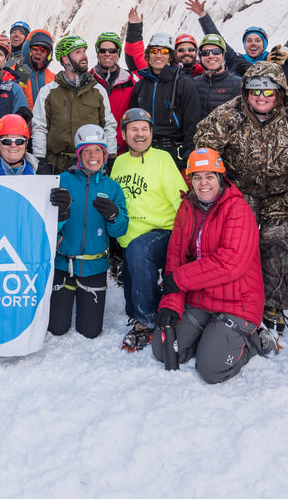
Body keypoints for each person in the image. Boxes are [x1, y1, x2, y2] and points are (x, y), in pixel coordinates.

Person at [193, 60, 288, 338]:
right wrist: (224, 190)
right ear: (246, 91)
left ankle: (274, 305)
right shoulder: (228, 115)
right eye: (255, 90)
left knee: (276, 242)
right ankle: (240, 295)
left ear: (280, 92)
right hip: (239, 192)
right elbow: (205, 148)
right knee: (241, 244)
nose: (261, 97)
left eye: (268, 91)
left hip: (283, 195)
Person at [151, 149, 264, 384]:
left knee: (211, 370)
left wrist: (178, 280)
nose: (203, 184)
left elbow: (230, 263)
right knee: (163, 350)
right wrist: (170, 303)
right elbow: (175, 256)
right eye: (197, 177)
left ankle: (255, 341)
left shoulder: (238, 209)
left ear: (220, 178)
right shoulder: (186, 208)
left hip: (236, 302)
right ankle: (211, 337)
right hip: (200, 298)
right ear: (190, 180)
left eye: (209, 176)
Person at [110, 109, 186, 352]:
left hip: (163, 234)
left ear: (152, 133)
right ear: (123, 134)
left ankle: (148, 322)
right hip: (129, 243)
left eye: (145, 129)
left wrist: (189, 240)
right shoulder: (119, 163)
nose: (139, 134)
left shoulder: (163, 159)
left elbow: (182, 203)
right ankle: (143, 311)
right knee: (132, 307)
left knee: (139, 248)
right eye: (134, 129)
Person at [49, 125, 129, 339]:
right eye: (86, 150)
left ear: (104, 154)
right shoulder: (61, 180)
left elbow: (120, 230)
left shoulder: (112, 187)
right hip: (62, 263)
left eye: (98, 150)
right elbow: (44, 222)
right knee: (56, 328)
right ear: (78, 154)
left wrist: (114, 216)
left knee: (90, 331)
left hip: (94, 265)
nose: (92, 156)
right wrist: (59, 221)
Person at [32, 35, 116, 173]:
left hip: (90, 165)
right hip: (56, 166)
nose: (84, 56)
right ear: (65, 59)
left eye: (84, 51)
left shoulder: (98, 90)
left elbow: (108, 126)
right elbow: (40, 128)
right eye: (78, 52)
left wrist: (110, 157)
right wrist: (39, 160)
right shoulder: (48, 92)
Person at [128, 32, 202, 166]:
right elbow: (132, 121)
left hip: (174, 153)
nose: (158, 55)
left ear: (170, 56)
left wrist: (188, 156)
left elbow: (193, 124)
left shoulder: (184, 83)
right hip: (144, 151)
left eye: (164, 51)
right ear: (148, 55)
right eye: (154, 51)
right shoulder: (140, 86)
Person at [90, 31, 137, 151]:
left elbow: (134, 117)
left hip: (121, 148)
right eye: (102, 50)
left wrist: (120, 141)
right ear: (98, 53)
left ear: (118, 54)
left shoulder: (130, 82)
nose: (107, 54)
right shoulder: (87, 81)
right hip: (91, 147)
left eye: (112, 51)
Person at [192, 34, 243, 118]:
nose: (211, 56)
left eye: (216, 51)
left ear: (223, 55)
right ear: (200, 57)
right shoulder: (193, 83)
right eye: (205, 53)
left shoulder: (238, 84)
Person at [12, 28, 56, 109]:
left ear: (48, 54)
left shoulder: (53, 79)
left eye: (43, 50)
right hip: (21, 121)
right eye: (35, 48)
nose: (39, 52)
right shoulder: (12, 73)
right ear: (28, 49)